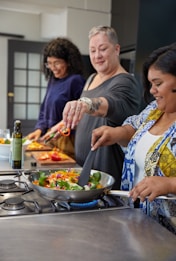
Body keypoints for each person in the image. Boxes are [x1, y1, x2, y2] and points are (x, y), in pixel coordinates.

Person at [91, 43, 176, 234]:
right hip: (139, 222)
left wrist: (170, 184)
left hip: (169, 233)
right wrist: (116, 133)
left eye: (158, 83)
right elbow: (134, 127)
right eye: (151, 84)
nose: (153, 90)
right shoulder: (155, 109)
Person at [43, 26, 141, 189]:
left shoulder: (125, 82)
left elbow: (109, 104)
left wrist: (84, 103)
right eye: (93, 50)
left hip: (106, 175)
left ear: (116, 49)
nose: (97, 56)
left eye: (102, 49)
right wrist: (61, 125)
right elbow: (84, 116)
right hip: (83, 168)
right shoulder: (91, 78)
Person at [27, 37, 85, 158]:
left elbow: (81, 114)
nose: (53, 67)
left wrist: (59, 128)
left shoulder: (76, 81)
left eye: (57, 63)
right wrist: (39, 129)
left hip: (66, 140)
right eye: (49, 63)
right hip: (50, 137)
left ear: (68, 62)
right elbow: (44, 109)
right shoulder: (53, 81)